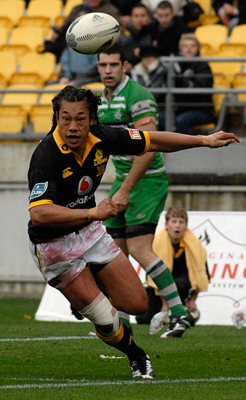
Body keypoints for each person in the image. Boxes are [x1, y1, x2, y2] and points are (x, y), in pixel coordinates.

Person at [27, 85, 238, 379]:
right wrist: (92, 212)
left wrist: (203, 139)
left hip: (89, 233)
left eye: (79, 119)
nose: (72, 127)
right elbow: (39, 214)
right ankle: (136, 355)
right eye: (65, 119)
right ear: (56, 118)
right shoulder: (46, 155)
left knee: (137, 304)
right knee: (107, 320)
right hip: (54, 245)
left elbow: (153, 141)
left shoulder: (101, 138)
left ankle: (89, 295)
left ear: (91, 120)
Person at [97, 44, 196, 338]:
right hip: (123, 181)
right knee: (116, 256)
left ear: (125, 66)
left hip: (148, 181)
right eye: (103, 65)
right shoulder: (100, 101)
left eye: (113, 65)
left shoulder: (139, 97)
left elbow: (148, 147)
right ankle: (123, 327)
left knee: (139, 248)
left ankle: (179, 312)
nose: (108, 70)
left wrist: (125, 189)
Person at [137, 206, 210, 326]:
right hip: (159, 290)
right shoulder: (155, 243)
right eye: (174, 221)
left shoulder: (196, 246)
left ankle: (184, 310)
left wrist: (193, 300)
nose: (177, 225)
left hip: (183, 288)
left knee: (178, 283)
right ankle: (172, 312)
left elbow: (202, 274)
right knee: (143, 318)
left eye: (181, 222)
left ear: (186, 226)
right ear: (166, 224)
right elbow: (152, 275)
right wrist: (164, 305)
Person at [168, 33, 215, 134]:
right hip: (178, 109)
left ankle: (191, 147)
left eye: (192, 46)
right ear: (181, 49)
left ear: (198, 48)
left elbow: (200, 91)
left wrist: (185, 81)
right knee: (158, 118)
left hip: (201, 110)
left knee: (181, 121)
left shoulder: (203, 66)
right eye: (185, 46)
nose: (189, 49)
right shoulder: (175, 65)